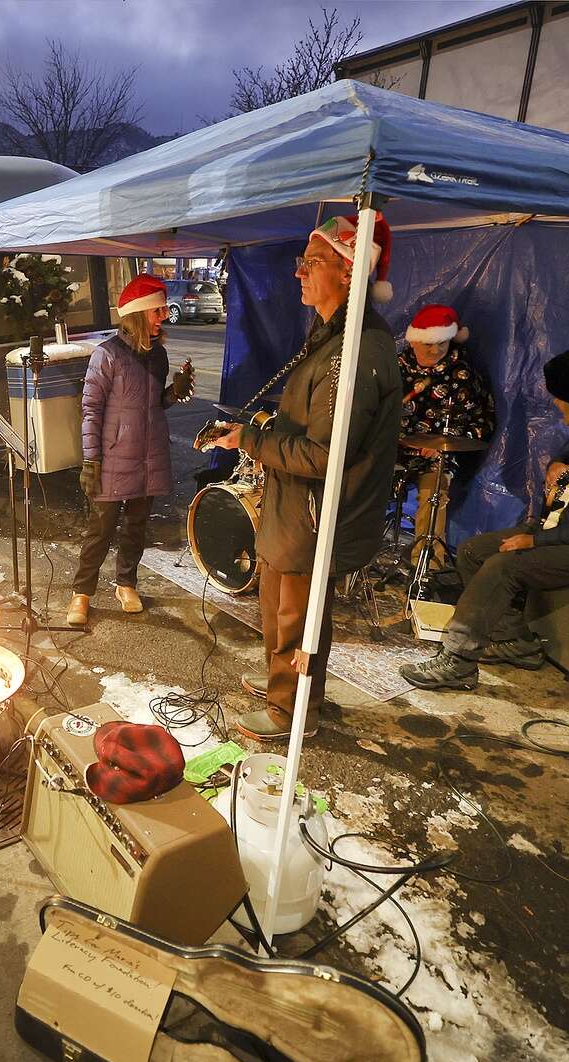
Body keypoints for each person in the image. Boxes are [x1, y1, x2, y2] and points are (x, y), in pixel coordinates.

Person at [206, 213, 402, 741]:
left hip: (315, 515)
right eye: (303, 262)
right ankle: (284, 682)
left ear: (348, 271)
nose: (298, 273)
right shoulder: (331, 336)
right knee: (279, 607)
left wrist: (250, 441)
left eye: (311, 263)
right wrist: (265, 429)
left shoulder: (356, 350)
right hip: (294, 508)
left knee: (298, 616)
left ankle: (290, 711)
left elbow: (323, 455)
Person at [400, 340, 569, 691]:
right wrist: (561, 461)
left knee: (504, 566)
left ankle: (458, 662)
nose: (556, 403)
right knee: (474, 551)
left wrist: (536, 540)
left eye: (563, 398)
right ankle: (514, 641)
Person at [68, 274, 194, 626]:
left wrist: (174, 392)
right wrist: (91, 459)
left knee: (136, 526)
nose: (163, 317)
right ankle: (81, 592)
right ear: (138, 313)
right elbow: (91, 409)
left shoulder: (159, 355)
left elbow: (155, 404)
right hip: (113, 457)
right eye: (157, 311)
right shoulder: (106, 355)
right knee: (101, 528)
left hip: (149, 455)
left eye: (164, 310)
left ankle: (126, 583)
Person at [394, 304, 496, 565]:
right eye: (429, 344)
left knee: (434, 491)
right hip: (394, 448)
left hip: (439, 453)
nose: (436, 350)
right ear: (414, 341)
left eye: (442, 344)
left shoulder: (462, 375)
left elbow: (481, 420)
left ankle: (426, 565)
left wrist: (441, 443)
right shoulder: (396, 368)